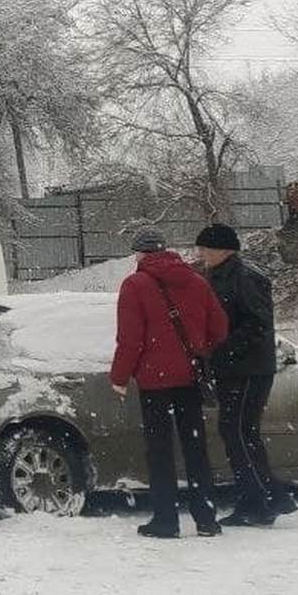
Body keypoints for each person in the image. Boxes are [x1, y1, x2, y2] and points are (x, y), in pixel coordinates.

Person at [110, 227, 228, 538]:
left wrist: (120, 377)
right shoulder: (196, 281)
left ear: (139, 254)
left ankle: (166, 520)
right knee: (195, 447)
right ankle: (206, 518)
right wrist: (198, 350)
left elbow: (130, 339)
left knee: (159, 451)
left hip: (154, 383)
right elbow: (219, 327)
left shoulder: (135, 285)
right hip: (189, 378)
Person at [195, 223, 287, 525]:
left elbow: (258, 323)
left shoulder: (244, 277)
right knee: (238, 432)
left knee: (237, 431)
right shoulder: (220, 276)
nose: (202, 253)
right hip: (234, 367)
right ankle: (264, 497)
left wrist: (225, 348)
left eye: (206, 248)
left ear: (224, 249)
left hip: (248, 369)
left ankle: (261, 501)